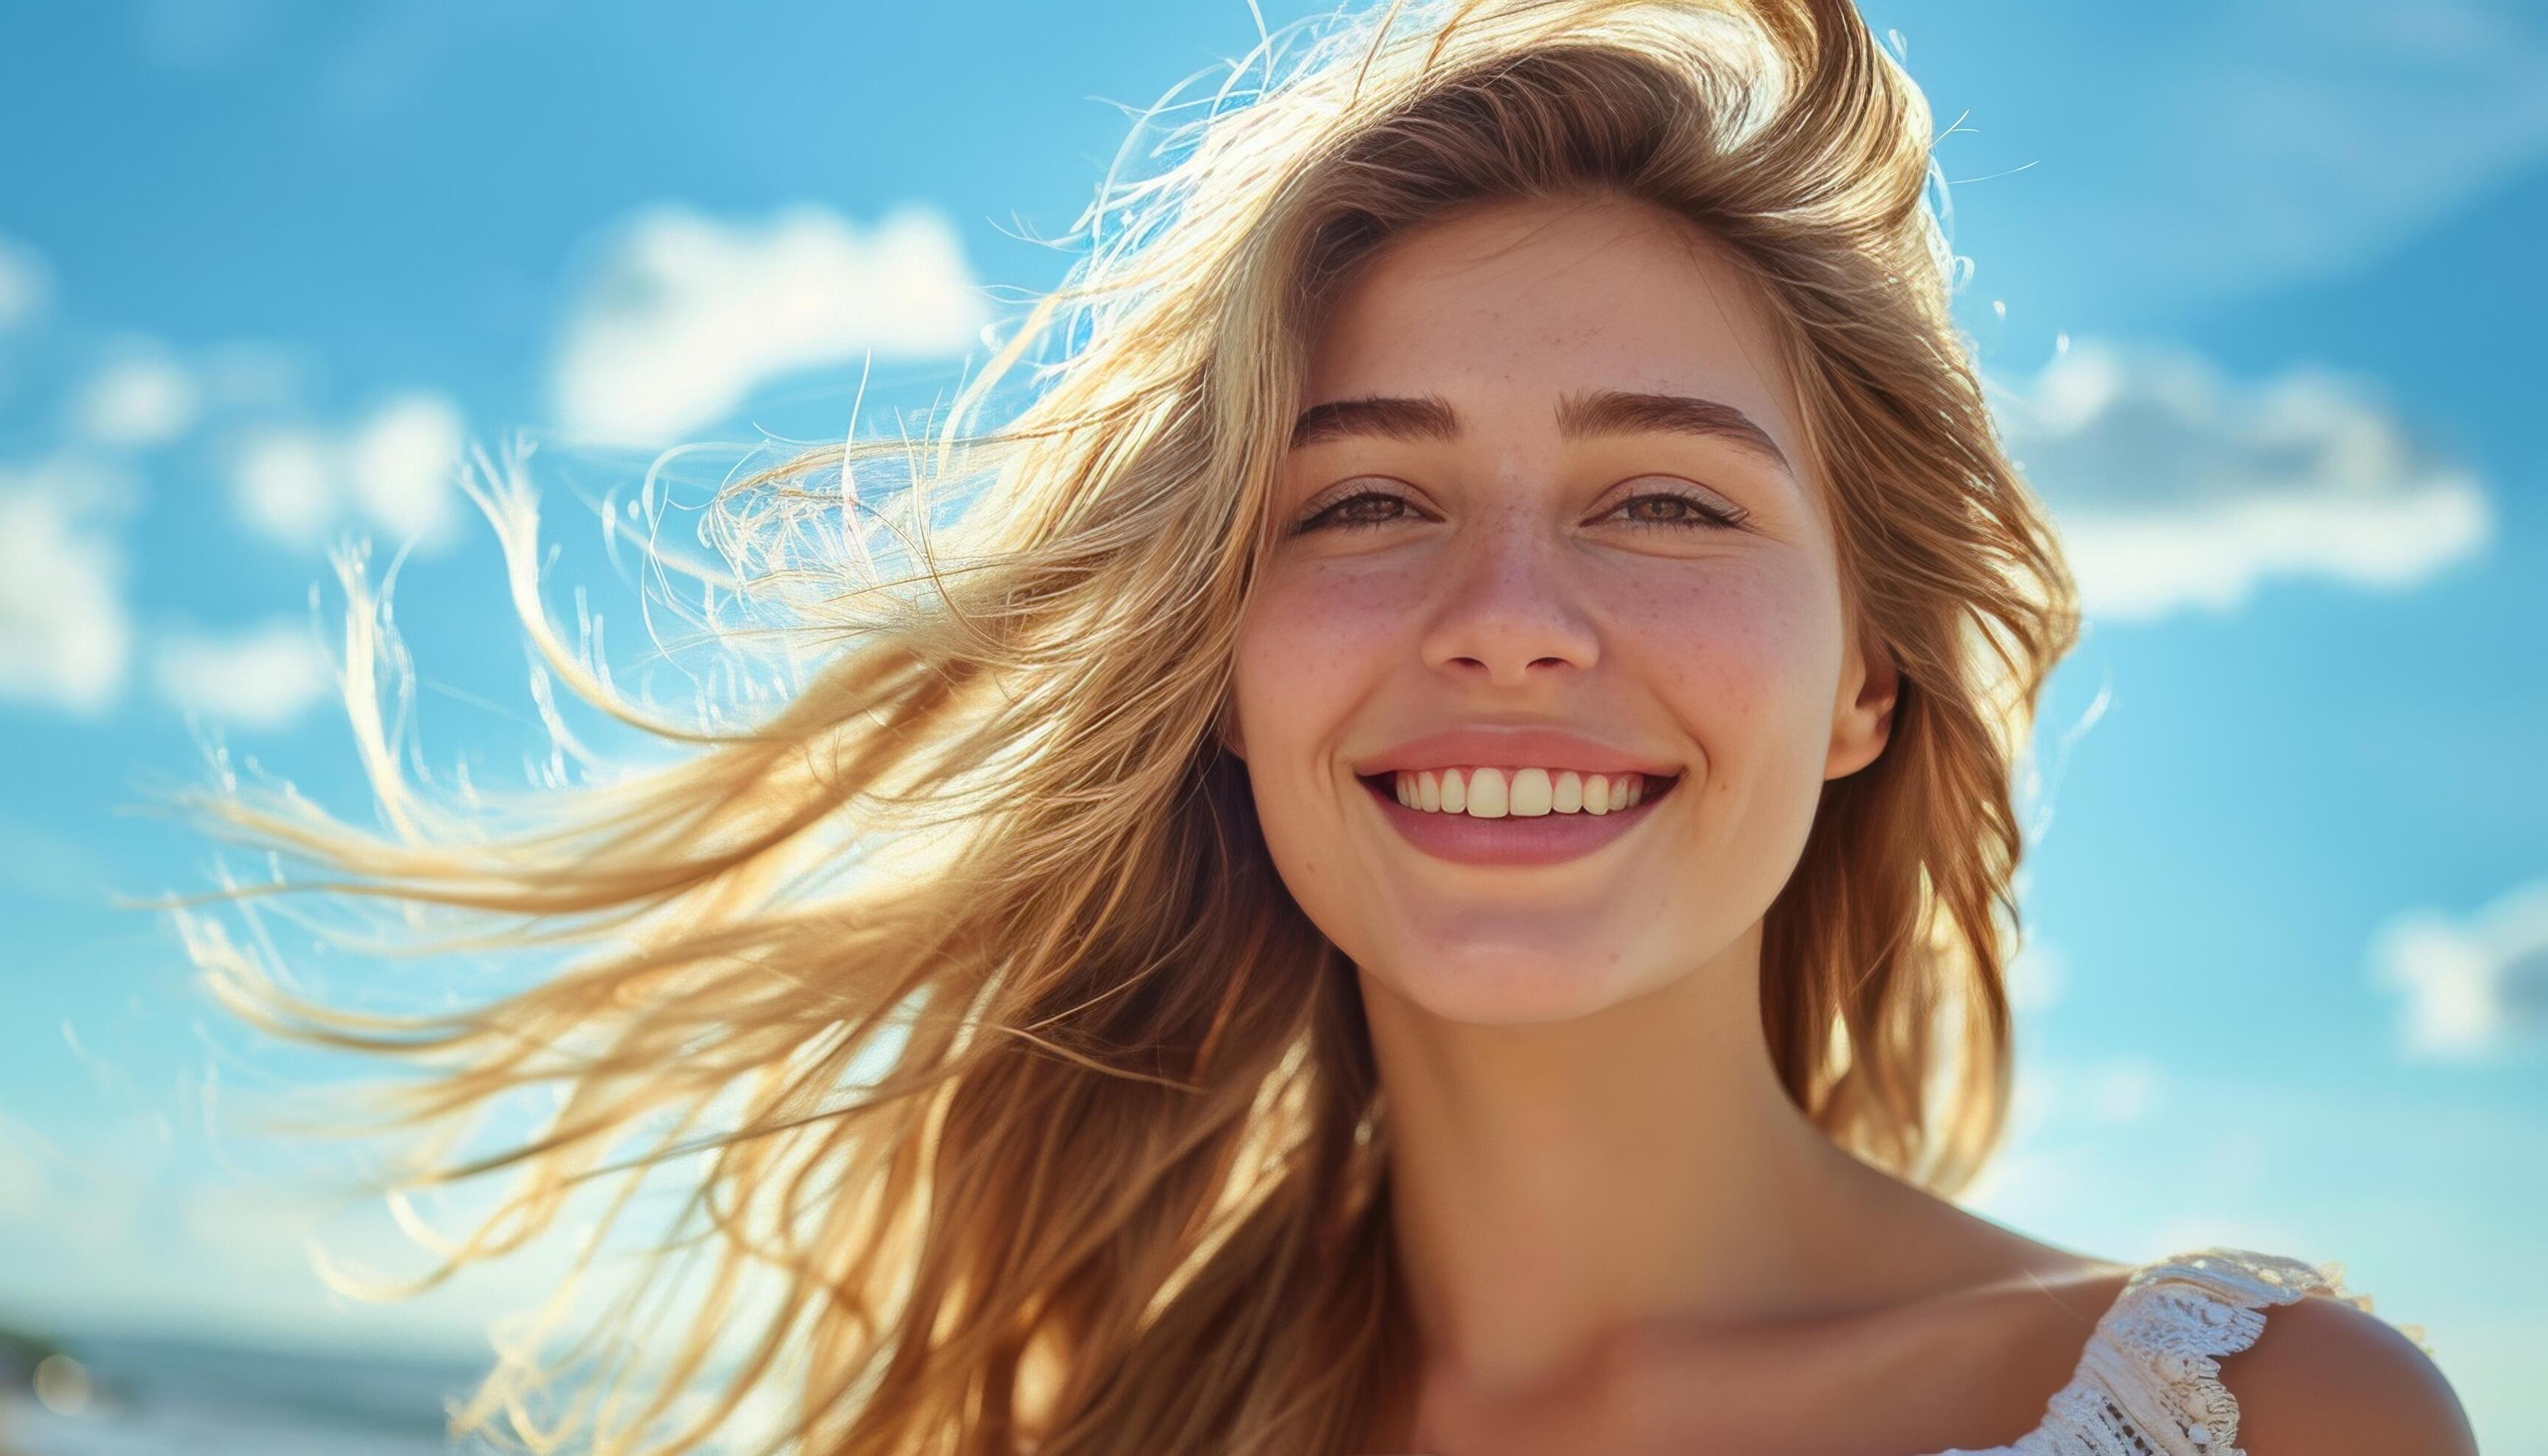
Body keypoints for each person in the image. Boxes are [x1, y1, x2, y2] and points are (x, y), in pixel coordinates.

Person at [155, 1, 2477, 1452]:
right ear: (1219, 665)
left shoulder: (2253, 1428)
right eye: (1363, 500)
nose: (1506, 620)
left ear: (1868, 673)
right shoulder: (1101, 1426)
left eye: (1660, 499)